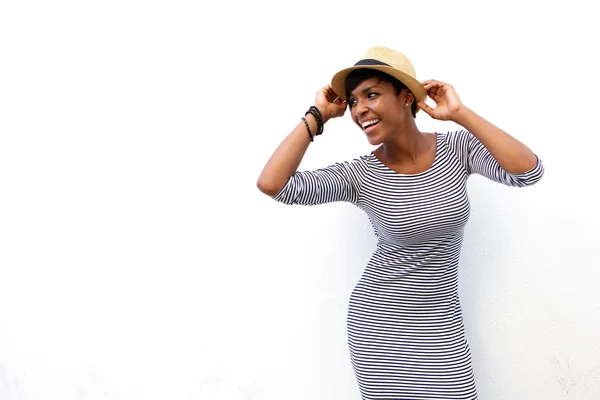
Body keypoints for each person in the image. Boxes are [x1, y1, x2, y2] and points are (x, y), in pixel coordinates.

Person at [256, 46, 544, 400]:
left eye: (372, 95)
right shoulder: (359, 174)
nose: (360, 109)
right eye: (353, 101)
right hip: (378, 327)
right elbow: (274, 185)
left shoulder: (457, 149)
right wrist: (317, 115)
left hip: (441, 326)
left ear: (406, 96)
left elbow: (528, 171)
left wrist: (460, 114)